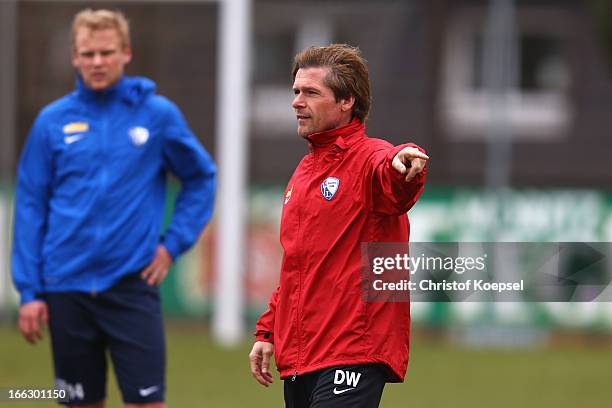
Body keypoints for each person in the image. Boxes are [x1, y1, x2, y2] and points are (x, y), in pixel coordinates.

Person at [11, 9, 216, 408]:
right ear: (74, 57)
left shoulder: (157, 116)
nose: (97, 62)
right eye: (88, 54)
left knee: (145, 403)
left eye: (106, 52)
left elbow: (201, 177)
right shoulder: (52, 122)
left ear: (126, 53)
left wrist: (172, 244)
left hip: (131, 285)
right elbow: (31, 206)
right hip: (66, 287)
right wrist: (30, 290)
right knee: (81, 403)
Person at [248, 44, 428, 408]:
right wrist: (268, 329)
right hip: (302, 352)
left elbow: (392, 176)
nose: (297, 102)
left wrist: (404, 159)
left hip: (353, 349)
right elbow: (297, 266)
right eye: (296, 92)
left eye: (311, 93)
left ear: (347, 101)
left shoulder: (369, 158)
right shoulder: (304, 172)